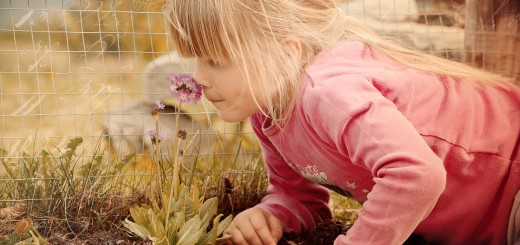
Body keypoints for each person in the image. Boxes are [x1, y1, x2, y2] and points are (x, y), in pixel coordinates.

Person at [165, 0, 520, 244]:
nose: (199, 78)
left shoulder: (328, 93)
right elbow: (300, 198)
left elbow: (416, 174)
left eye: (215, 60)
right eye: (196, 60)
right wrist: (273, 213)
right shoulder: (267, 113)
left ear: (288, 51)